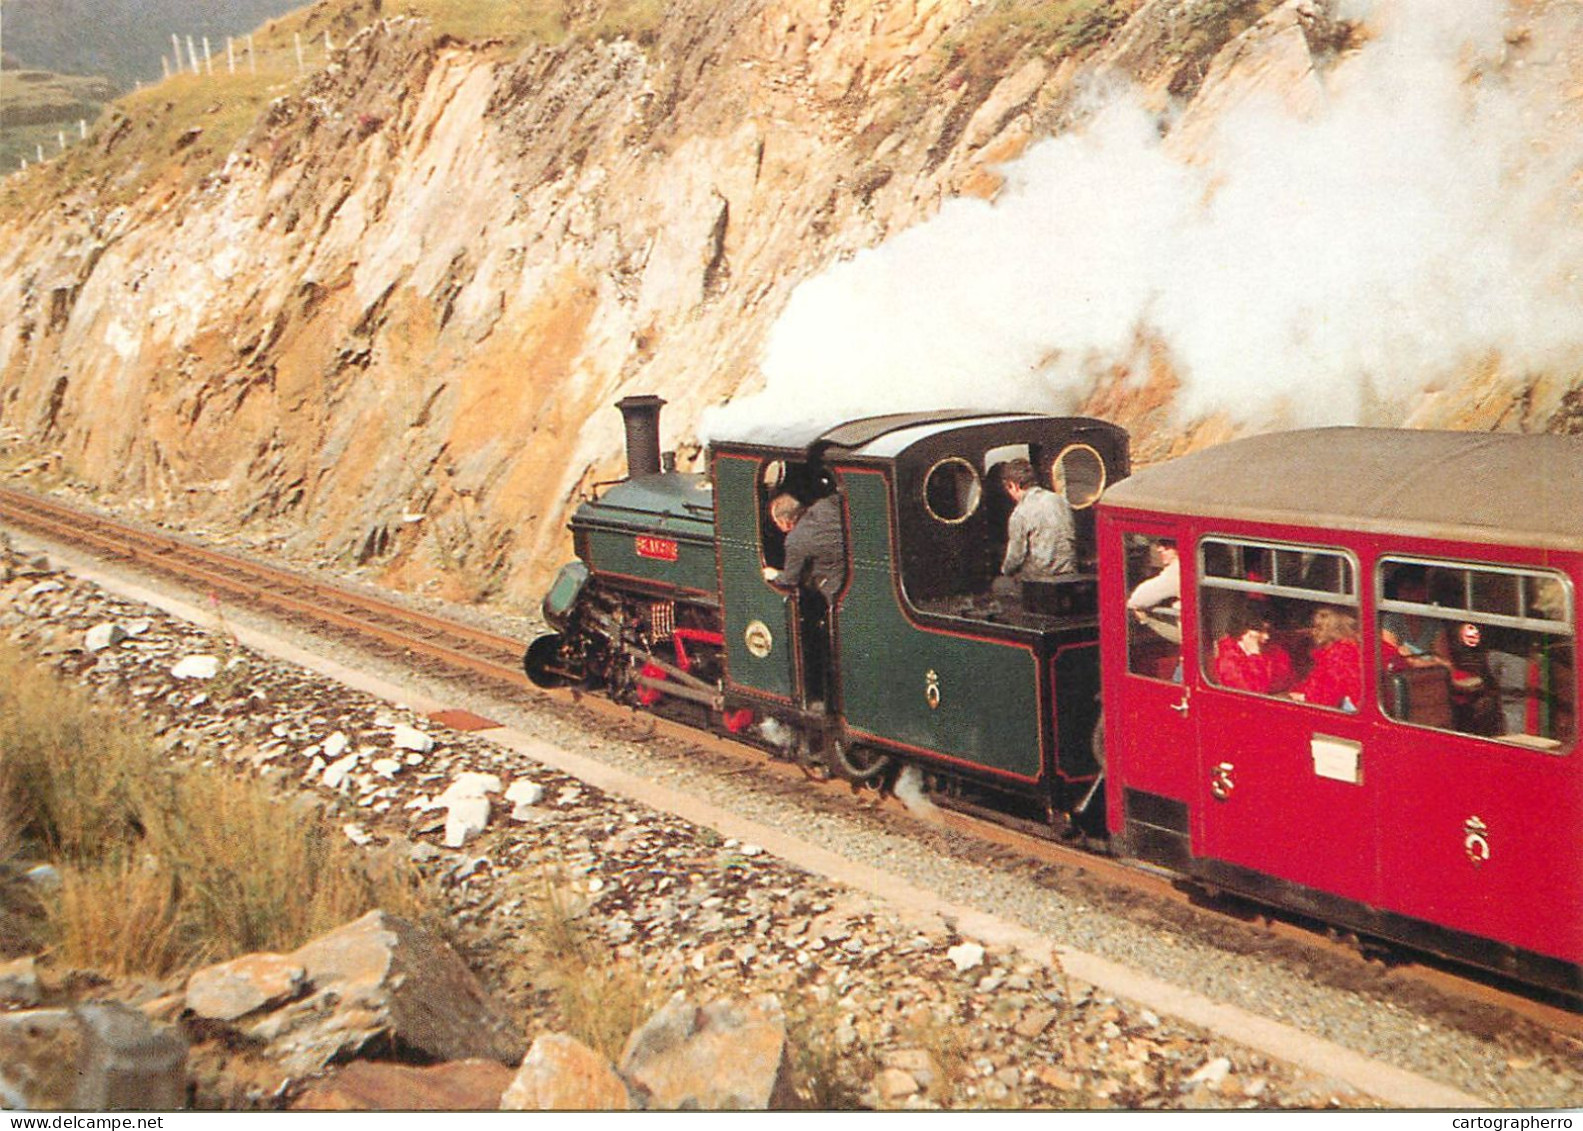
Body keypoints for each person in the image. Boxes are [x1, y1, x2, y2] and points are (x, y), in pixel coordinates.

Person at [994, 459, 1076, 594]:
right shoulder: (1059, 500)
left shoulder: (1020, 514)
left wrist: (1004, 570)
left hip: (1040, 581)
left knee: (999, 584)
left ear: (1013, 485)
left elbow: (1015, 557)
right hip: (1069, 575)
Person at [763, 492, 846, 600]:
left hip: (836, 587)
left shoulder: (795, 540)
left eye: (776, 522)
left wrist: (775, 575)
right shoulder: (825, 505)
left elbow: (790, 579)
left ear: (785, 522)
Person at [1289, 606, 1362, 710]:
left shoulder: (1338, 655)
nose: (1313, 632)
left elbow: (1325, 699)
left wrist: (1303, 697)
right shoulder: (1352, 646)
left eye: (1316, 627)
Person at [1212, 607, 1293, 694]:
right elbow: (1255, 692)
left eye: (1267, 631)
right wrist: (1255, 655)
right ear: (1244, 632)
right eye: (1260, 631)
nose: (1267, 636)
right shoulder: (1228, 659)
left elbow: (1286, 680)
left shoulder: (1271, 649)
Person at [1126, 538, 1181, 643]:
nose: (1159, 549)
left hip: (1189, 634)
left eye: (1166, 545)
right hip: (1201, 628)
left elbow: (1137, 600)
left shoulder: (1177, 571)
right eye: (1159, 544)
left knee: (1138, 611)